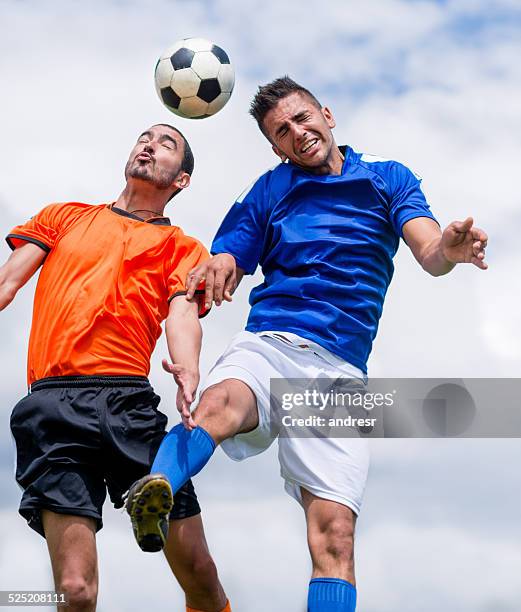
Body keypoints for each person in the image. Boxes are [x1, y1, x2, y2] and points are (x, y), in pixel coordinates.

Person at [127, 78, 488, 611]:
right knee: (222, 403)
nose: (298, 133)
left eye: (302, 119)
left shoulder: (388, 178)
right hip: (272, 340)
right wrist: (220, 266)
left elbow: (429, 250)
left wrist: (450, 249)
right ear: (276, 148)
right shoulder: (270, 189)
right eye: (282, 131)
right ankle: (156, 490)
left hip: (339, 373)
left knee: (335, 537)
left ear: (327, 114)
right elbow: (230, 257)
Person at [1, 124, 231, 612]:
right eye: (143, 137)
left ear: (182, 180)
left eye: (165, 143)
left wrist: (188, 369)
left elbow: (183, 312)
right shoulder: (64, 217)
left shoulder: (184, 249)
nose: (148, 144)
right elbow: (7, 281)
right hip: (52, 408)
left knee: (202, 578)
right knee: (76, 591)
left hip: (128, 403)